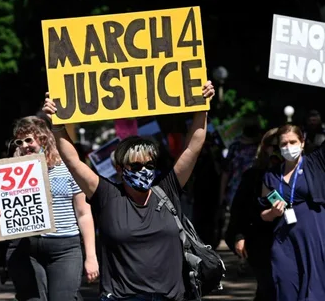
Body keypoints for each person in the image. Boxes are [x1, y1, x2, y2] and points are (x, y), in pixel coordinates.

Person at [42, 80, 215, 301]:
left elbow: (193, 146)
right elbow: (73, 161)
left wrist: (202, 107)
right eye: (135, 166)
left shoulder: (167, 190)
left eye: (149, 165)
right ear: (120, 168)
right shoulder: (106, 195)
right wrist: (57, 123)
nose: (144, 170)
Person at [0, 116, 99, 301]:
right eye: (20, 142)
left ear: (43, 139)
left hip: (65, 249)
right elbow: (6, 211)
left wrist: (91, 257)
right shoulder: (10, 175)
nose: (25, 145)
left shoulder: (67, 168)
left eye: (29, 139)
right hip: (26, 249)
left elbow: (84, 213)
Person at [260, 124, 325, 300]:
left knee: (314, 290)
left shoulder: (315, 163)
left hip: (314, 239)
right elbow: (262, 214)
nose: (289, 147)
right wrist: (273, 213)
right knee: (285, 286)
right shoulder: (271, 176)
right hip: (284, 242)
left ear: (302, 143)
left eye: (293, 142)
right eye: (284, 144)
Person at [225, 127, 282, 301]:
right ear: (265, 148)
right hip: (261, 242)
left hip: (292, 240)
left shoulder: (302, 176)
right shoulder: (253, 176)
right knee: (268, 288)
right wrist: (239, 236)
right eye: (276, 146)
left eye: (286, 145)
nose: (281, 151)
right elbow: (239, 210)